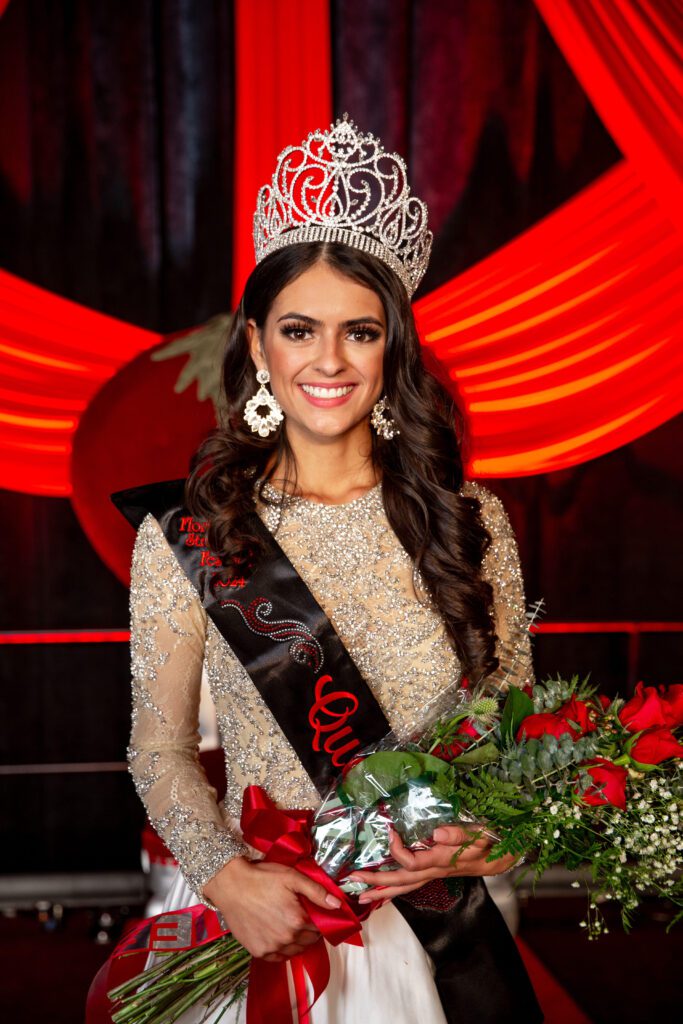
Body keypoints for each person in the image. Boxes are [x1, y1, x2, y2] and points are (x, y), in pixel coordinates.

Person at [123, 117, 543, 1023]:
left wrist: (488, 840)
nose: (327, 360)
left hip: (437, 941)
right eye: (299, 329)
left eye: (359, 332)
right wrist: (228, 879)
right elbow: (155, 750)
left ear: (392, 347)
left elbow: (520, 747)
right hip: (262, 920)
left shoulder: (473, 527)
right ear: (256, 344)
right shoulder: (188, 535)